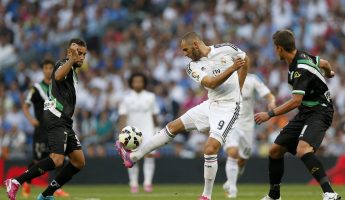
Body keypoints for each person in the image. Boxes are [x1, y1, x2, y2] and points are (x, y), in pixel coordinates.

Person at [116, 31, 249, 200]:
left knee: (209, 148)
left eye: (185, 50)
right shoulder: (192, 67)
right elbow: (211, 83)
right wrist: (232, 68)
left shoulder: (227, 48)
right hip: (210, 103)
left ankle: (206, 196)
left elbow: (245, 60)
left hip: (229, 107)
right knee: (173, 127)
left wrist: (239, 87)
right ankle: (133, 156)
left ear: (195, 45)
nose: (184, 54)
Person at [254, 29, 341, 200]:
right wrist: (329, 73)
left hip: (320, 111)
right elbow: (323, 62)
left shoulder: (300, 68)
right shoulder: (302, 57)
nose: (274, 51)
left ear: (279, 48)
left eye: (275, 48)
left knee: (303, 150)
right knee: (275, 150)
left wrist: (269, 114)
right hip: (306, 112)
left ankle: (330, 193)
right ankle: (274, 195)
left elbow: (295, 101)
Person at [5, 38, 87, 200]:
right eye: (78, 53)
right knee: (56, 160)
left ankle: (46, 195)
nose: (82, 57)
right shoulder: (63, 64)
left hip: (64, 120)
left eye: (84, 54)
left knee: (78, 161)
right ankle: (15, 181)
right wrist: (71, 59)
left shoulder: (71, 69)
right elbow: (57, 77)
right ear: (69, 53)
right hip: (57, 117)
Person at [222, 73, 276, 198]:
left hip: (247, 126)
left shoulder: (252, 80)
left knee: (242, 160)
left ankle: (230, 182)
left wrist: (272, 101)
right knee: (233, 153)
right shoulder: (226, 79)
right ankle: (232, 190)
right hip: (231, 123)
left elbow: (268, 95)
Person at [21, 59, 70, 198]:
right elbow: (25, 105)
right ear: (43, 70)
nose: (49, 70)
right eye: (46, 68)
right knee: (38, 160)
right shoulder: (36, 88)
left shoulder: (57, 85)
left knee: (60, 157)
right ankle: (27, 183)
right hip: (41, 129)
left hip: (55, 127)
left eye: (50, 68)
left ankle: (57, 188)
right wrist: (31, 120)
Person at [118, 72, 160, 193]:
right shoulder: (126, 98)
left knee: (149, 156)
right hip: (131, 133)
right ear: (131, 83)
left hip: (148, 130)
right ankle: (134, 184)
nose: (138, 83)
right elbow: (122, 117)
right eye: (135, 81)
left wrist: (157, 130)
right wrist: (122, 134)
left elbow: (154, 115)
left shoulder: (151, 97)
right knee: (132, 158)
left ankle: (147, 183)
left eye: (140, 81)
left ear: (144, 83)